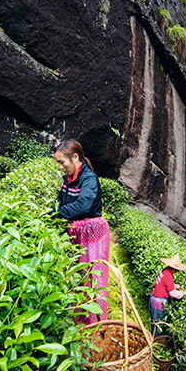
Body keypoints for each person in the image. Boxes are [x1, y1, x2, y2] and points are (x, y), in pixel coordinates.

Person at [53, 139, 110, 324]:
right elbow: (61, 203)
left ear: (75, 157)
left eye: (62, 162)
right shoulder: (67, 180)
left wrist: (56, 214)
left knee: (94, 280)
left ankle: (98, 325)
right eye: (58, 163)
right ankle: (80, 324)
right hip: (76, 233)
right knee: (78, 280)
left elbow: (83, 206)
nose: (60, 167)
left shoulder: (89, 179)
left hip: (93, 235)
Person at [149, 254, 186, 335]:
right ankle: (156, 341)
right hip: (159, 302)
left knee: (155, 320)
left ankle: (153, 336)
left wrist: (178, 287)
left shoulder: (165, 271)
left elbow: (167, 285)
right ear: (174, 269)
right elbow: (172, 293)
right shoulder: (168, 276)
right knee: (159, 323)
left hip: (154, 298)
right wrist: (183, 293)